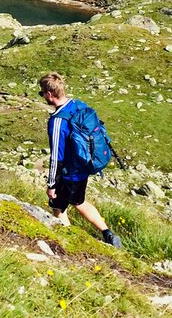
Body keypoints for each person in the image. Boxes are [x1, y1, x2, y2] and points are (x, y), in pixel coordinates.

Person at [39, 72, 122, 249]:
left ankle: (69, 244)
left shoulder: (58, 121)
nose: (43, 96)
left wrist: (52, 184)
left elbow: (56, 157)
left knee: (60, 207)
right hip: (85, 166)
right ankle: (107, 233)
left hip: (69, 173)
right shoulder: (78, 105)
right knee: (78, 202)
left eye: (42, 93)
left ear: (49, 94)